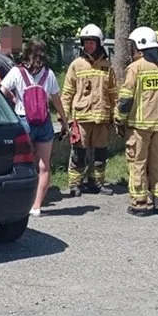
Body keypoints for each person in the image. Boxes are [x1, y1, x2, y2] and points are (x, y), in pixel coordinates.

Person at [0, 39, 68, 217]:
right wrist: (64, 120)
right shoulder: (49, 74)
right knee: (44, 166)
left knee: (23, 163)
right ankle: (37, 206)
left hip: (23, 121)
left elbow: (1, 91)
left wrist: (13, 102)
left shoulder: (16, 72)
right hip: (44, 122)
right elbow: (56, 99)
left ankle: (22, 201)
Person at [115, 26, 158, 216]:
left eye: (133, 45)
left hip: (139, 127)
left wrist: (119, 119)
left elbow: (125, 100)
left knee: (138, 163)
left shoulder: (136, 68)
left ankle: (140, 204)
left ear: (140, 44)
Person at [61, 24, 116, 196]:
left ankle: (97, 183)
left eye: (92, 42)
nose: (89, 46)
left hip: (102, 118)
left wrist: (116, 115)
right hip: (81, 118)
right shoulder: (76, 65)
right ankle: (75, 184)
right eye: (86, 43)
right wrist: (65, 118)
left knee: (100, 152)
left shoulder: (107, 66)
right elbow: (67, 93)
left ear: (99, 43)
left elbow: (113, 93)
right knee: (78, 152)